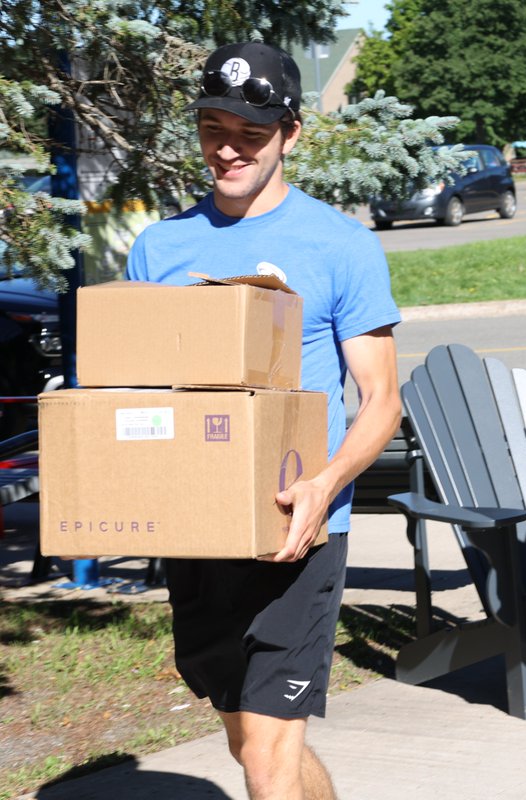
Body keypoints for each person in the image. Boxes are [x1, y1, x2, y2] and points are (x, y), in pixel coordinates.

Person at [125, 41, 402, 799]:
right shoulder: (160, 248)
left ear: (290, 133)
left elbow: (381, 400)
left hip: (298, 529)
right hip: (198, 529)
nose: (228, 149)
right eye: (213, 129)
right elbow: (135, 393)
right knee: (248, 740)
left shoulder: (340, 245)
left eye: (250, 133)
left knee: (270, 759)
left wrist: (325, 485)